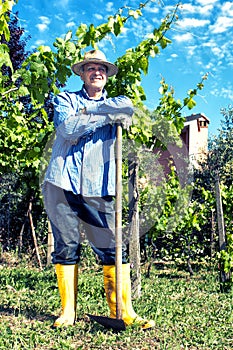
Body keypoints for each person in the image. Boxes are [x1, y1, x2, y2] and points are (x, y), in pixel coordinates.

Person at [42, 50, 155, 329]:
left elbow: (127, 107)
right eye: (90, 68)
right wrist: (105, 116)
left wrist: (90, 111)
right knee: (66, 246)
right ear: (82, 73)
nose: (96, 72)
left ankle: (124, 311)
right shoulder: (65, 99)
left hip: (98, 185)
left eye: (101, 69)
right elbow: (68, 128)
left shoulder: (117, 101)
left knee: (112, 247)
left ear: (106, 74)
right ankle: (68, 312)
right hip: (61, 183)